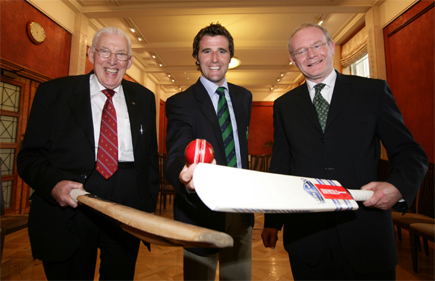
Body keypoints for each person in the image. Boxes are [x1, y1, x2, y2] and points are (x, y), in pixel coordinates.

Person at [261, 23, 428, 280]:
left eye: (317, 45)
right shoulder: (284, 106)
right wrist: (272, 222)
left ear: (331, 47)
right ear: (293, 60)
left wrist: (397, 187)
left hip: (366, 234)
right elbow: (282, 165)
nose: (311, 54)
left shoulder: (372, 92)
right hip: (308, 240)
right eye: (301, 51)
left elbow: (409, 152)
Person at [17, 26, 159, 280]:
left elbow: (149, 158)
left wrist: (146, 206)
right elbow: (29, 157)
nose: (112, 61)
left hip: (125, 211)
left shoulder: (145, 98)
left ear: (130, 61)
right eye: (104, 51)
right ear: (90, 53)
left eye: (121, 54)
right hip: (71, 207)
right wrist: (54, 186)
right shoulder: (54, 93)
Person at [164, 23, 254, 280]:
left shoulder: (244, 97)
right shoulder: (180, 102)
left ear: (230, 56)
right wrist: (186, 176)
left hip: (241, 211)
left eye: (222, 51)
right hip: (200, 212)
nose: (215, 59)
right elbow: (177, 151)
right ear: (196, 57)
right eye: (207, 51)